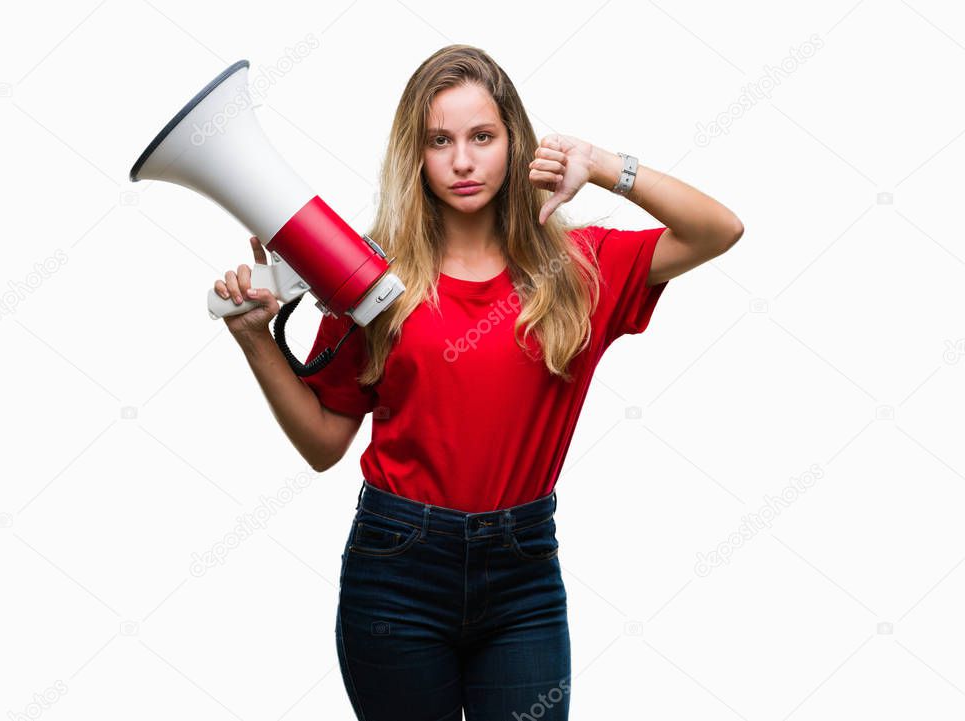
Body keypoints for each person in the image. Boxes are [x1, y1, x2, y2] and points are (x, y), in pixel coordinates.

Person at [213, 44, 742, 721]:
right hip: (395, 568)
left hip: (523, 576)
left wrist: (603, 164)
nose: (462, 161)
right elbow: (323, 444)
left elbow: (718, 230)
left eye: (482, 137)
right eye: (440, 141)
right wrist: (256, 341)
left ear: (516, 144)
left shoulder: (582, 269)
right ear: (418, 155)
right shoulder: (369, 279)